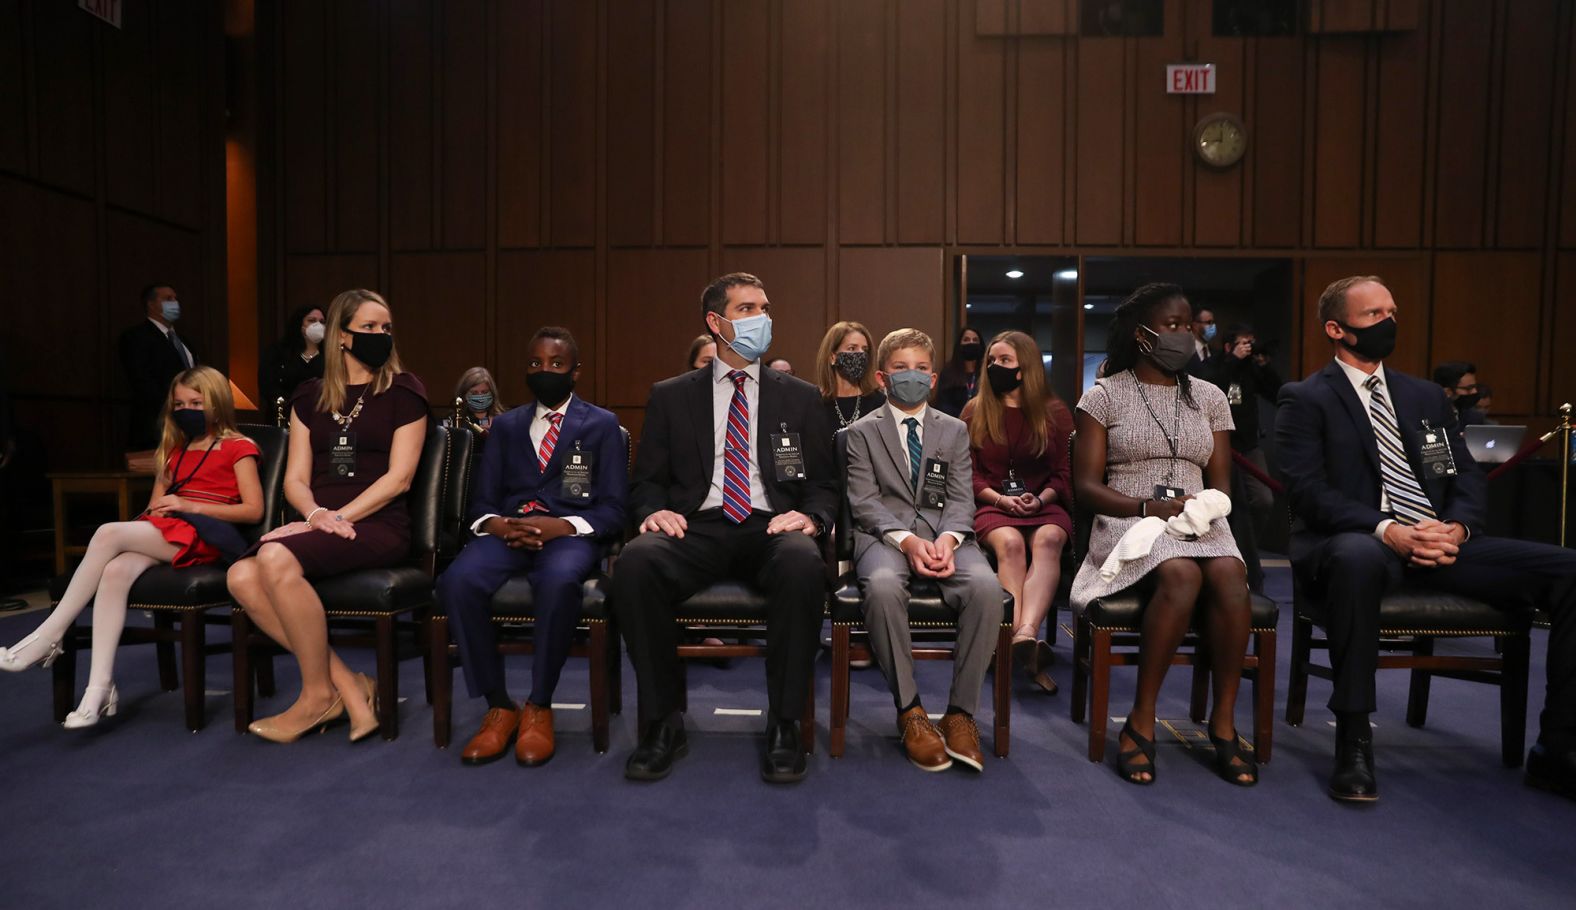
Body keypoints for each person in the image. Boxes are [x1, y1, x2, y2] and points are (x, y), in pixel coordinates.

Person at [1277, 276, 1576, 803]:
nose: (1389, 323)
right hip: (1363, 540)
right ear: (1336, 329)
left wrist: (1456, 528)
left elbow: (1464, 477)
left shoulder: (1424, 397)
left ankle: (1558, 747)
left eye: (1393, 311)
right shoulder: (1305, 398)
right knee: (1354, 557)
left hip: (1441, 539)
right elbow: (1307, 491)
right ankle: (1353, 739)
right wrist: (1389, 530)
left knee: (1569, 569)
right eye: (1374, 315)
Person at [611, 272, 836, 784]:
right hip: (697, 527)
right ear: (716, 322)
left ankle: (784, 723)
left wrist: (811, 518)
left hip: (770, 526)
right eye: (747, 309)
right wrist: (652, 512)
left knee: (803, 564)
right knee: (637, 562)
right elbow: (645, 482)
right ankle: (662, 722)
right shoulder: (671, 396)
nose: (762, 318)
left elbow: (823, 485)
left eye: (764, 307)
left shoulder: (800, 398)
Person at [1, 367, 263, 727]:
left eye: (196, 403)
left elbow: (254, 510)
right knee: (115, 569)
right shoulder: (174, 450)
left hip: (208, 534)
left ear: (217, 404)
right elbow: (156, 505)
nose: (187, 410)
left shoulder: (238, 446)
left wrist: (190, 505)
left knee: (108, 533)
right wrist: (169, 506)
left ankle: (49, 633)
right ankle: (99, 687)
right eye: (180, 404)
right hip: (168, 529)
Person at [1071, 283, 1257, 787]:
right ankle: (1142, 717)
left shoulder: (1211, 397)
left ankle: (1223, 722)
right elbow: (1086, 487)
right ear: (1144, 335)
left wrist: (1200, 508)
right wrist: (1147, 505)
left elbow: (1221, 483)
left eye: (1188, 326)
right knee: (1179, 575)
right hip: (1131, 516)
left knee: (1229, 575)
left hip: (1199, 519)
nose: (1185, 335)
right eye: (1173, 326)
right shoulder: (1104, 395)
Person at [225, 289, 428, 744]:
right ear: (340, 336)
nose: (381, 336)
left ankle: (317, 695)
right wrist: (316, 515)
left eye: (386, 328)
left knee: (274, 559)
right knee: (239, 576)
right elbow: (295, 479)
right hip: (323, 520)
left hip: (379, 523)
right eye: (369, 328)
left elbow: (399, 479)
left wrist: (335, 518)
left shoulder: (404, 391)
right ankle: (348, 687)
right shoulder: (308, 396)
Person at [435, 328, 626, 767]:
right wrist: (499, 526)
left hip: (568, 535)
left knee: (559, 582)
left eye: (556, 364)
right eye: (535, 364)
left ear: (575, 372)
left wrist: (561, 525)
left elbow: (615, 509)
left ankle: (539, 705)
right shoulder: (505, 426)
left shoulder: (602, 425)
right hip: (511, 532)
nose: (545, 371)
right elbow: (481, 501)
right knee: (458, 580)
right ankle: (499, 705)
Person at [845, 328, 1004, 773]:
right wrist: (909, 541)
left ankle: (960, 715)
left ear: (933, 379)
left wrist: (949, 539)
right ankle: (910, 711)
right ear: (882, 377)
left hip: (946, 538)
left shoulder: (954, 430)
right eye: (900, 368)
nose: (910, 376)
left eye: (920, 368)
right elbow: (864, 501)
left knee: (986, 588)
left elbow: (960, 498)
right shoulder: (861, 433)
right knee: (879, 586)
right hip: (885, 537)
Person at [961, 330, 1072, 695]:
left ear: (1025, 368)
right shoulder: (975, 410)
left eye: (1004, 361)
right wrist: (999, 500)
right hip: (992, 504)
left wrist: (1040, 499)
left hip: (1043, 503)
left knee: (1050, 538)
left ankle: (1024, 635)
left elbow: (1063, 472)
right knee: (1010, 544)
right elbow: (968, 472)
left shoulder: (1054, 413)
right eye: (991, 361)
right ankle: (1016, 640)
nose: (995, 367)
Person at [120, 284, 197, 451]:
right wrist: (173, 407)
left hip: (191, 424)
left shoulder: (184, 341)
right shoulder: (136, 337)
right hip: (157, 424)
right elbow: (142, 381)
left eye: (176, 298)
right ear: (151, 304)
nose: (175, 303)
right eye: (168, 299)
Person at [815, 320, 886, 434]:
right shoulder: (815, 402)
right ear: (832, 357)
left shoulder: (879, 402)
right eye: (852, 348)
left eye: (865, 350)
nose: (861, 354)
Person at [260, 304, 327, 418]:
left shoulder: (330, 356)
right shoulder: (278, 352)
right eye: (312, 320)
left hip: (320, 418)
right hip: (284, 417)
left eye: (322, 321)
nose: (318, 325)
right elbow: (268, 386)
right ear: (299, 324)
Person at [935, 326, 984, 417]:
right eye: (966, 340)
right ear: (959, 345)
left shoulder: (986, 372)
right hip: (955, 423)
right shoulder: (949, 372)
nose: (971, 343)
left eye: (975, 340)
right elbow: (943, 404)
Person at [445, 366, 505, 439]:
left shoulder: (503, 420)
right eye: (474, 393)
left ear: (492, 393)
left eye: (484, 392)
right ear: (464, 394)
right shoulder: (454, 420)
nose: (480, 397)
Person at [1432, 360, 1488, 427]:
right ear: (1447, 391)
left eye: (1474, 387)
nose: (1474, 391)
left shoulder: (1475, 418)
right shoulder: (1428, 416)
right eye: (1468, 388)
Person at [1185, 305, 1217, 376]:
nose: (1213, 326)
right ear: (1195, 325)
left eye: (1213, 322)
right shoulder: (1184, 352)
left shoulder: (1215, 353)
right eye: (1209, 322)